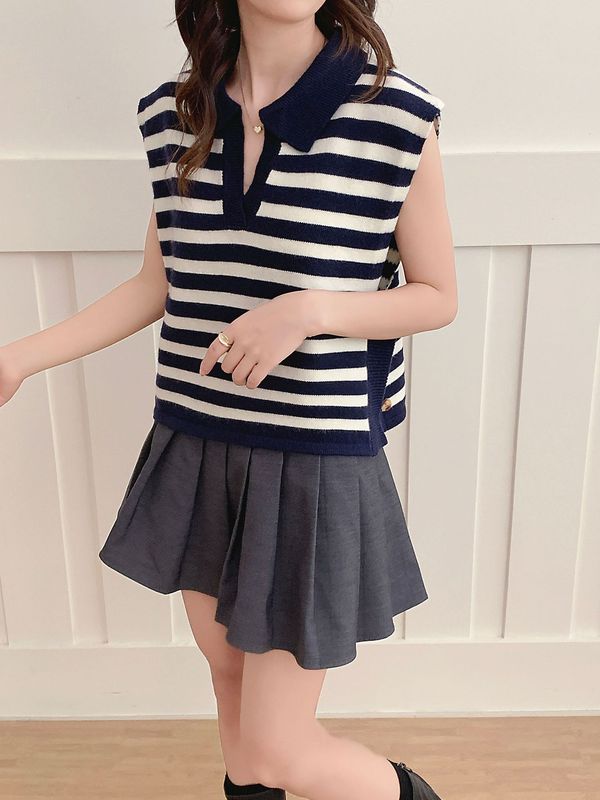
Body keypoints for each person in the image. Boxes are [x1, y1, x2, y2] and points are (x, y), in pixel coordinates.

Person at [0, 1, 457, 798]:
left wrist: (307, 311)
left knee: (280, 750)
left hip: (312, 459)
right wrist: (17, 360)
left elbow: (437, 296)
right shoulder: (177, 114)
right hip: (198, 442)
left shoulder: (395, 113)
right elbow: (158, 285)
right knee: (233, 693)